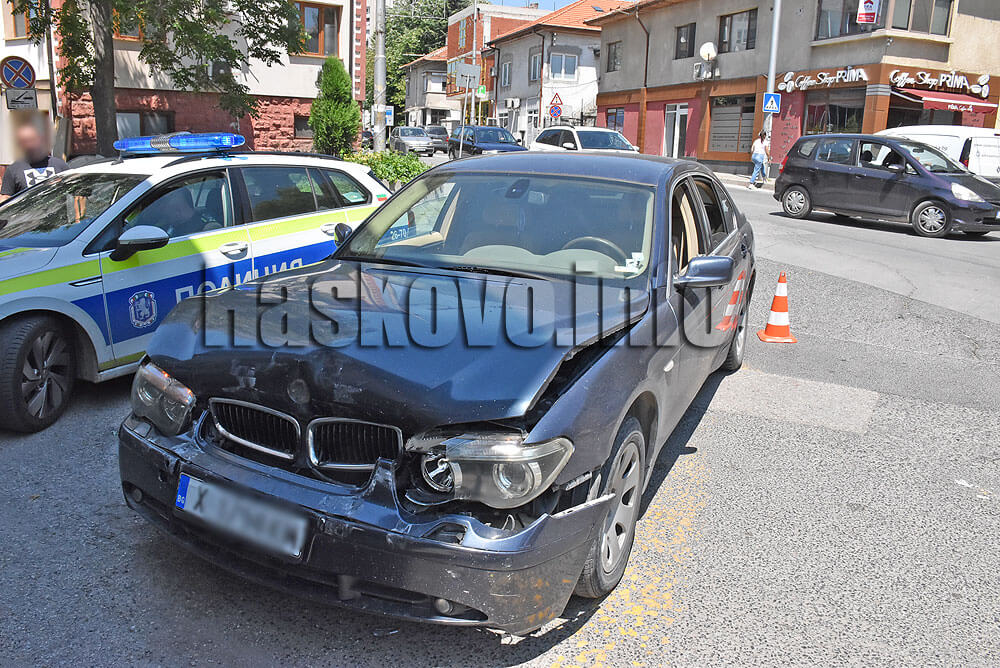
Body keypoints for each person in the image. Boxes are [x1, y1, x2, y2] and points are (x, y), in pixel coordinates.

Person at [0, 125, 68, 203]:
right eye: (25, 141)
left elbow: (75, 193)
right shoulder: (13, 169)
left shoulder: (60, 165)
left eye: (32, 140)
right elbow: (6, 198)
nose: (29, 145)